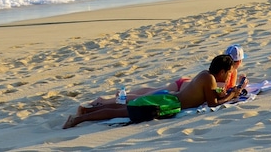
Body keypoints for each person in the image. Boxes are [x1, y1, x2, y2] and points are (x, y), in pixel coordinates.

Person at [62, 54, 242, 129]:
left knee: (123, 109)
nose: (228, 78)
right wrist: (233, 95)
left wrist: (233, 90)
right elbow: (214, 103)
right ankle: (79, 119)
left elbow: (215, 94)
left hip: (168, 99)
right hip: (168, 103)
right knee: (122, 111)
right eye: (228, 74)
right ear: (221, 72)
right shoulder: (209, 79)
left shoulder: (206, 75)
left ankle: (86, 111)